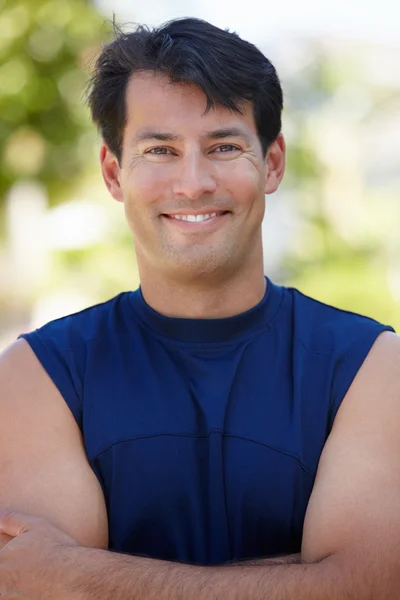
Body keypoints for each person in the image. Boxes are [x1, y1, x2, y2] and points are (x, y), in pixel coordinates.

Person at [0, 16, 399, 600]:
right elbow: (35, 588)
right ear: (115, 173)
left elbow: (371, 586)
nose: (192, 182)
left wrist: (82, 572)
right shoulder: (36, 375)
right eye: (159, 149)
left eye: (224, 147)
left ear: (272, 163)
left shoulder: (371, 367)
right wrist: (309, 576)